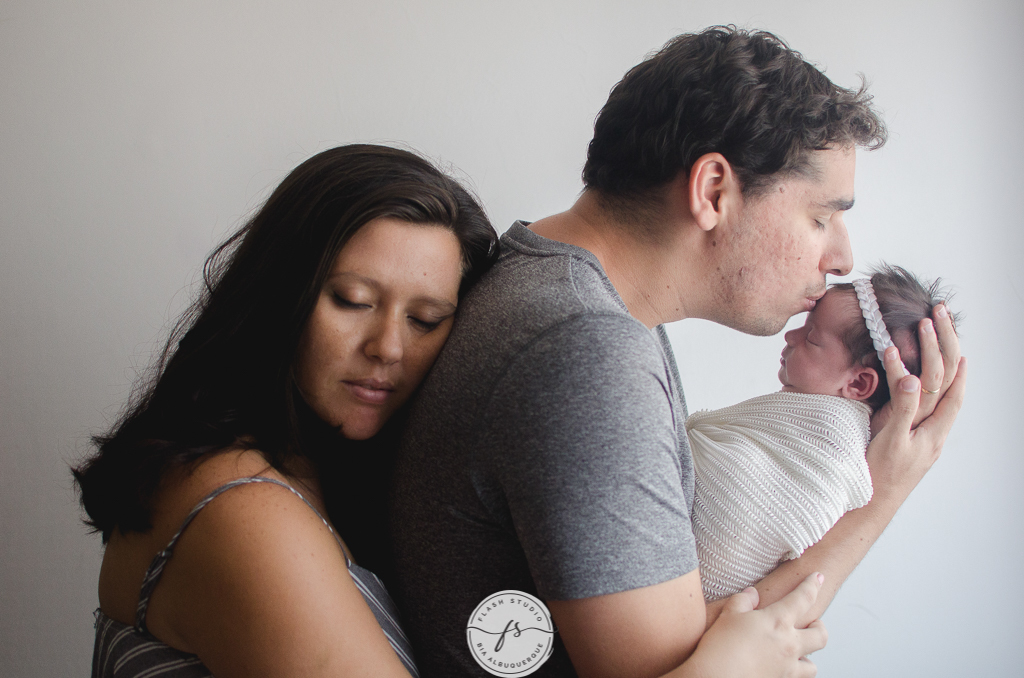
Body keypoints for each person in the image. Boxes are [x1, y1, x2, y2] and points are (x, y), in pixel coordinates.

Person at [389, 26, 966, 678]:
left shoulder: (562, 289)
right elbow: (684, 667)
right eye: (820, 217)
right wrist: (881, 495)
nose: (841, 258)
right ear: (714, 189)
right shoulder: (584, 352)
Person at [72, 144, 499, 678]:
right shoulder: (243, 514)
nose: (388, 347)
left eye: (426, 320)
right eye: (352, 300)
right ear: (279, 294)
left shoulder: (303, 473)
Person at [690, 265, 961, 600]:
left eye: (812, 338)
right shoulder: (804, 415)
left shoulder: (833, 448)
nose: (790, 337)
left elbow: (769, 501)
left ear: (859, 383)